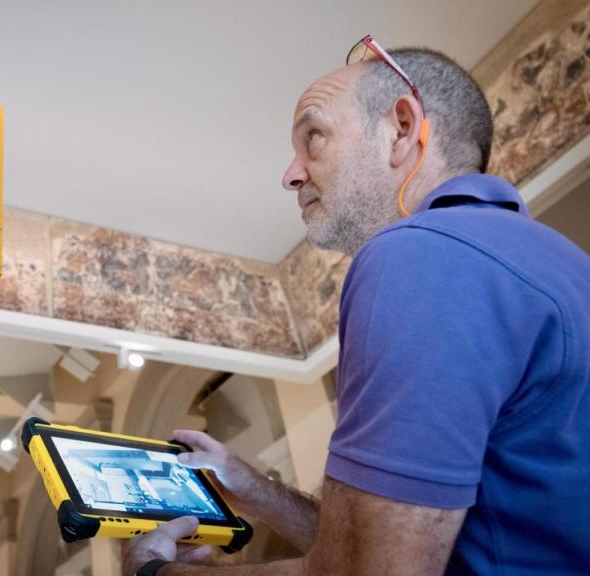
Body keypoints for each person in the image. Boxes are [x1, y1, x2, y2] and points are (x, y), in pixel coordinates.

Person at [122, 37, 590, 576]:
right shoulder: (556, 260)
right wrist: (253, 489)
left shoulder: (417, 254)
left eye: (313, 136)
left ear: (400, 127)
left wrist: (155, 571)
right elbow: (395, 543)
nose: (291, 175)